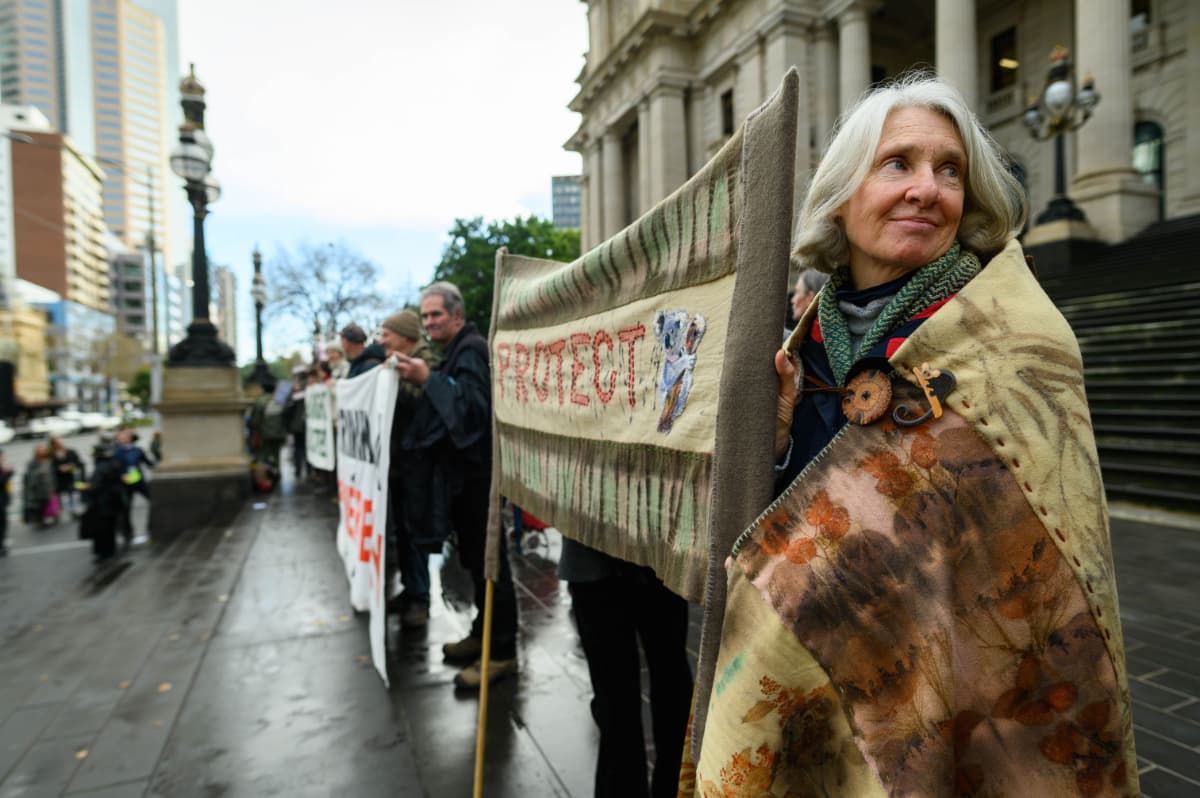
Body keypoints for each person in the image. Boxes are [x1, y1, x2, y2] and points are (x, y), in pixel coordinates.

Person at [690, 75, 1138, 796]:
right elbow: (769, 536)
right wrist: (776, 446)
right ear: (842, 193)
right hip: (819, 683)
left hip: (972, 696)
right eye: (898, 162)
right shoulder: (805, 345)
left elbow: (1050, 554)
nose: (928, 188)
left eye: (949, 170)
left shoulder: (1016, 337)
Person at [393, 282, 518, 689]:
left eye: (436, 315)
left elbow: (469, 413)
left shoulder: (473, 350)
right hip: (464, 482)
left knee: (490, 565)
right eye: (424, 316)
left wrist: (427, 377)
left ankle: (500, 653)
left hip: (480, 480)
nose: (428, 323)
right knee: (475, 563)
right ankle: (483, 635)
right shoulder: (456, 353)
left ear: (457, 316)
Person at [559, 537, 693, 798]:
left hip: (661, 551)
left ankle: (678, 789)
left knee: (671, 687)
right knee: (615, 707)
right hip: (593, 556)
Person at [379, 309, 441, 628]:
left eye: (386, 334)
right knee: (402, 530)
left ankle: (420, 597)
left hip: (417, 463)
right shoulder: (396, 360)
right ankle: (410, 588)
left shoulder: (423, 359)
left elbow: (423, 403)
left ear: (404, 336)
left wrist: (396, 381)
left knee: (414, 529)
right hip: (401, 462)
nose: (381, 340)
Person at [80, 436, 126, 562]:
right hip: (114, 502)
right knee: (111, 528)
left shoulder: (101, 467)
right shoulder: (114, 463)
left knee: (102, 531)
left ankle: (104, 553)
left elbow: (95, 486)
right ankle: (111, 550)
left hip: (101, 504)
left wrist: (84, 487)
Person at [113, 427, 154, 546]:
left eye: (126, 435)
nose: (124, 437)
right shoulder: (116, 452)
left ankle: (151, 528)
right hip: (125, 484)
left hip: (138, 480)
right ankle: (127, 533)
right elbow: (112, 468)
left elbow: (148, 463)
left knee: (154, 500)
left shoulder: (137, 450)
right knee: (125, 509)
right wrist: (120, 475)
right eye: (121, 436)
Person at [247, 375, 288, 487]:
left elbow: (255, 421)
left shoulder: (260, 401)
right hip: (279, 433)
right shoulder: (279, 400)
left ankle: (267, 477)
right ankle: (276, 472)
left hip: (265, 434)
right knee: (276, 454)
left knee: (264, 456)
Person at [283, 366, 309, 481]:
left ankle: (301, 470)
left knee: (300, 448)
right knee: (301, 448)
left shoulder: (306, 388)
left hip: (300, 425)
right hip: (299, 425)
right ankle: (303, 470)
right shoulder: (294, 389)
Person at [22, 444, 56, 527]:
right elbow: (30, 476)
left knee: (46, 504)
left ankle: (44, 519)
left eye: (44, 450)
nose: (43, 452)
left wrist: (54, 486)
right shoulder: (32, 462)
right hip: (37, 488)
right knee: (38, 505)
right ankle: (39, 521)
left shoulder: (48, 460)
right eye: (41, 450)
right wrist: (39, 473)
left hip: (47, 487)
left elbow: (52, 474)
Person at [50, 436, 85, 516]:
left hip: (72, 477)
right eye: (56, 442)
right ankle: (69, 510)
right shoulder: (52, 455)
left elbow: (78, 462)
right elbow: (51, 467)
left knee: (74, 493)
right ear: (53, 444)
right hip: (60, 479)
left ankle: (75, 510)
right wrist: (59, 469)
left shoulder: (70, 451)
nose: (59, 443)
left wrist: (71, 466)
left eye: (60, 441)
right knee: (64, 496)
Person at [0, 449, 13, 556]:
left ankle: (2, 544)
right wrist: (7, 473)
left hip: (2, 500)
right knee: (2, 524)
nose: (2, 458)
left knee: (4, 523)